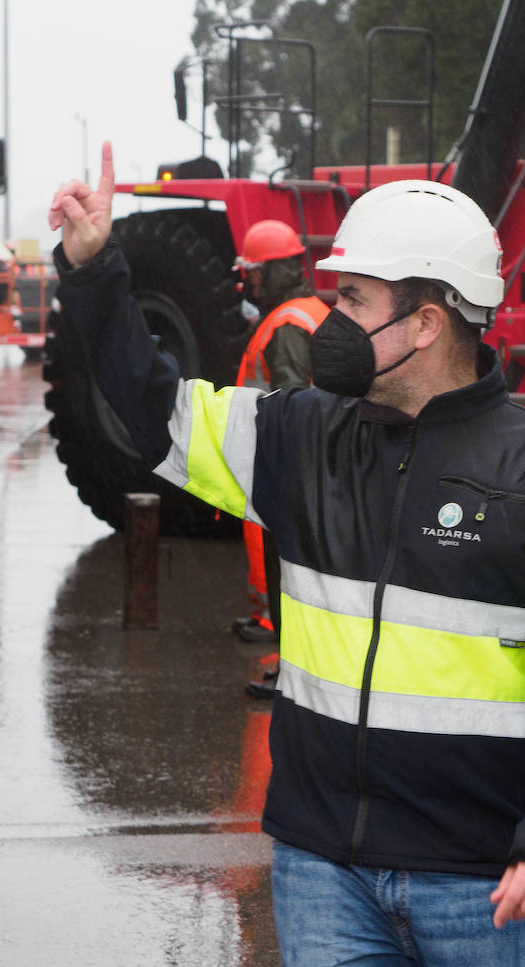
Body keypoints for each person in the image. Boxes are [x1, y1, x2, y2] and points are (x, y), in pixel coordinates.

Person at [49, 143, 525, 965]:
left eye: (355, 300)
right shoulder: (302, 434)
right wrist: (92, 270)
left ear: (428, 323)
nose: (332, 322)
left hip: (481, 886)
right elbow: (156, 411)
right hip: (322, 868)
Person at [231, 218, 328, 700]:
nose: (246, 284)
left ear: (269, 272)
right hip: (303, 469)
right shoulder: (307, 311)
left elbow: (290, 404)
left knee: (291, 573)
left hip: (288, 470)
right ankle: (294, 666)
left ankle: (293, 676)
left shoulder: (288, 323)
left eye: (251, 273)